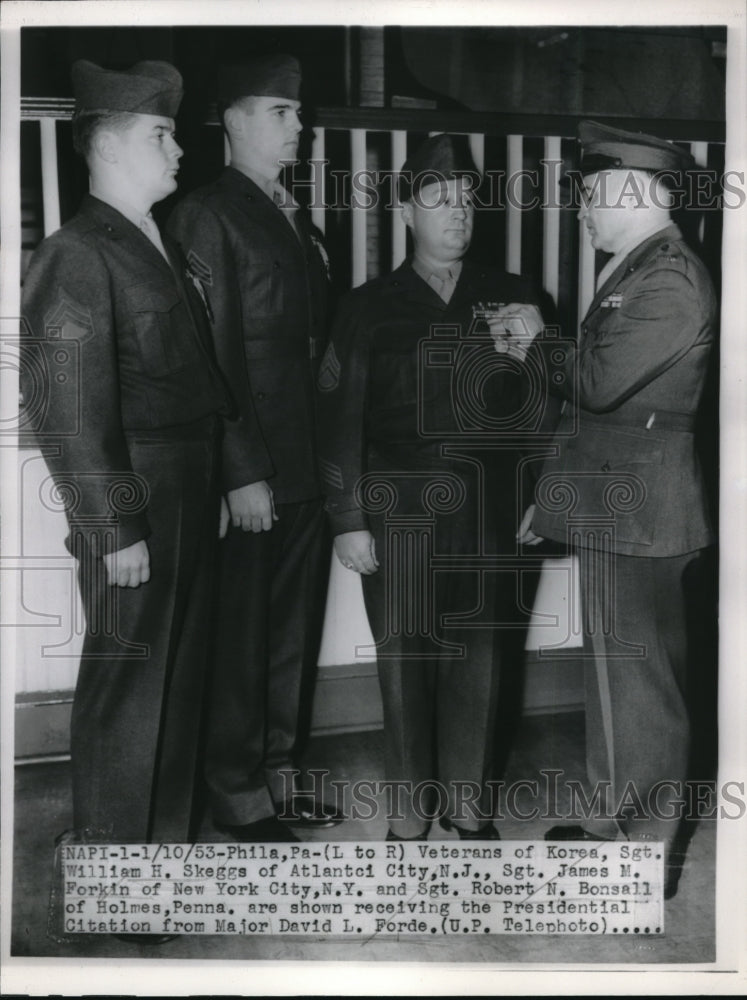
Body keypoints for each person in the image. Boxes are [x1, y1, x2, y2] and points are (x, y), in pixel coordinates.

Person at [21, 60, 230, 850]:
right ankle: (115, 872)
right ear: (106, 146)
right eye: (161, 134)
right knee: (130, 687)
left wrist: (210, 482)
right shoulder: (78, 253)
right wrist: (114, 528)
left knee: (176, 679)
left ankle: (162, 856)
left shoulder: (153, 243)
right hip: (136, 497)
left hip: (184, 483)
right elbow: (65, 410)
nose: (178, 151)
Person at [317, 134, 546, 840]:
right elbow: (337, 417)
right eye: (439, 200)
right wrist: (347, 518)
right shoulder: (366, 307)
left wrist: (544, 491)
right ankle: (411, 813)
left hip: (491, 507)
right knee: (406, 659)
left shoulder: (515, 299)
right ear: (407, 211)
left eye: (467, 200)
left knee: (483, 659)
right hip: (400, 509)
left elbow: (544, 406)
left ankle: (468, 805)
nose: (457, 214)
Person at [521, 121, 717, 893]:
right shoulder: (638, 266)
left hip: (643, 514)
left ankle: (641, 858)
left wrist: (538, 341)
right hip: (618, 504)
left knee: (642, 690)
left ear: (632, 193)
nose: (581, 213)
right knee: (612, 679)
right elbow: (598, 409)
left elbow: (598, 386)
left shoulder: (667, 278)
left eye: (590, 196)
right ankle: (611, 819)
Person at [167, 54, 340, 843]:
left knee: (289, 635)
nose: (296, 125)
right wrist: (241, 472)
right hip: (254, 471)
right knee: (239, 640)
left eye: (295, 113)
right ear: (231, 120)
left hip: (302, 463)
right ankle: (235, 795)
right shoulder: (207, 214)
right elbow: (214, 356)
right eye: (278, 111)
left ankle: (277, 778)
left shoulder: (291, 215)